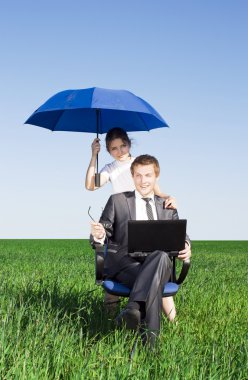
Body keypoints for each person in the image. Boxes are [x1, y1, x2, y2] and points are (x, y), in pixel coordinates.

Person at [91, 155, 191, 345]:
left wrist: (186, 246)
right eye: (138, 175)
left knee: (160, 256)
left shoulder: (167, 206)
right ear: (132, 176)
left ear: (156, 177)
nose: (143, 181)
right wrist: (98, 234)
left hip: (158, 265)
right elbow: (102, 233)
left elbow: (181, 236)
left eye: (148, 175)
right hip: (126, 265)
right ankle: (150, 347)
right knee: (154, 279)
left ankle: (133, 310)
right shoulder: (118, 201)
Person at [85, 128, 177, 319]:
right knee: (122, 261)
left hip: (144, 220)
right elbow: (90, 185)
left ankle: (132, 314)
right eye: (114, 148)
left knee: (155, 262)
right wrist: (94, 156)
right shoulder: (111, 168)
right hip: (122, 220)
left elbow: (157, 191)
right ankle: (111, 320)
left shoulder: (140, 165)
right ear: (109, 151)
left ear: (129, 143)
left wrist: (169, 198)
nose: (120, 151)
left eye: (123, 146)